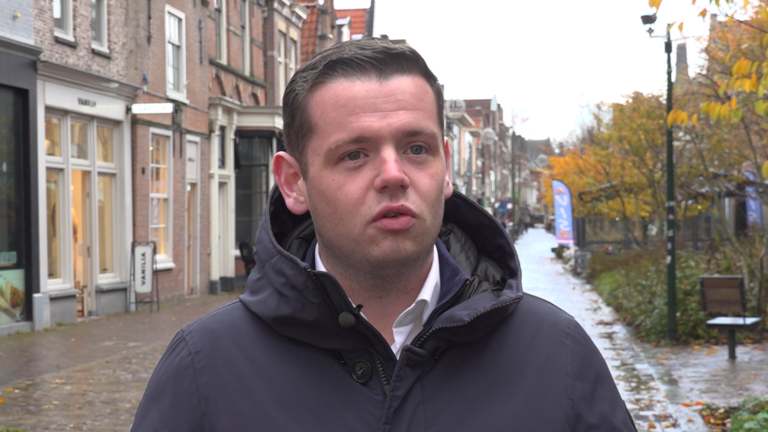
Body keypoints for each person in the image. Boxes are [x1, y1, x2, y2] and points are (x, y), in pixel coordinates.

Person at [131, 38, 637, 431]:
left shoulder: (556, 354)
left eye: (416, 149)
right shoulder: (206, 368)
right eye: (355, 154)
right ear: (294, 182)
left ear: (445, 169)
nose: (394, 174)